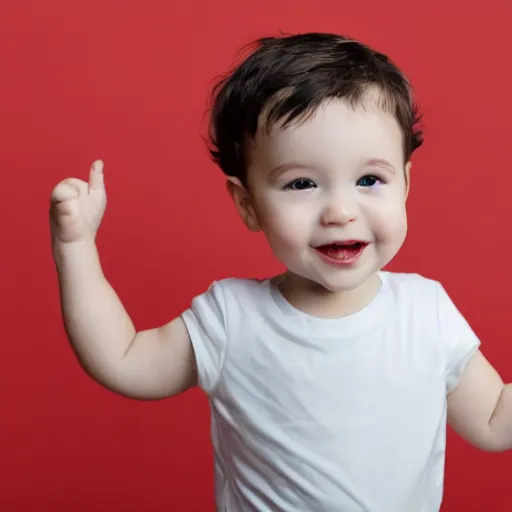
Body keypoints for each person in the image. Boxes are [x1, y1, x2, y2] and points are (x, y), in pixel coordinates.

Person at [49, 32, 511, 512]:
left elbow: (496, 420)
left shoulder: (426, 312)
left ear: (406, 183)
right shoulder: (232, 319)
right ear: (248, 204)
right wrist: (75, 246)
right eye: (302, 183)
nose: (340, 211)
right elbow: (123, 360)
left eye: (369, 180)